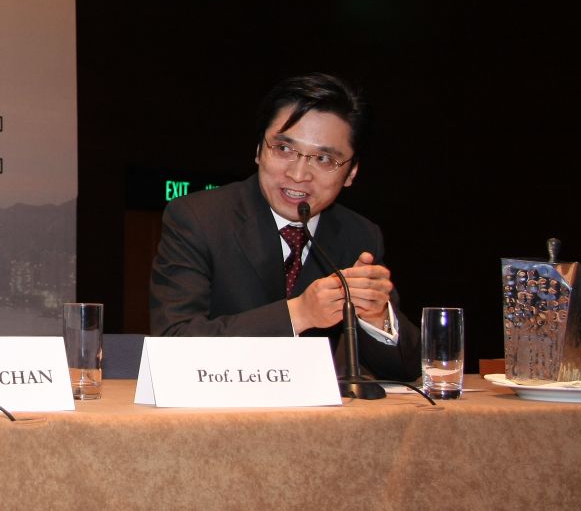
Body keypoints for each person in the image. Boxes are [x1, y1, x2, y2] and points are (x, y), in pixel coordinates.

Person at [148, 73, 420, 380]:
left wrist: (376, 316)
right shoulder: (199, 218)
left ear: (351, 172)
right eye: (284, 149)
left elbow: (407, 369)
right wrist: (299, 313)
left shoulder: (358, 234)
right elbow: (172, 344)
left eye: (324, 159)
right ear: (259, 150)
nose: (299, 174)